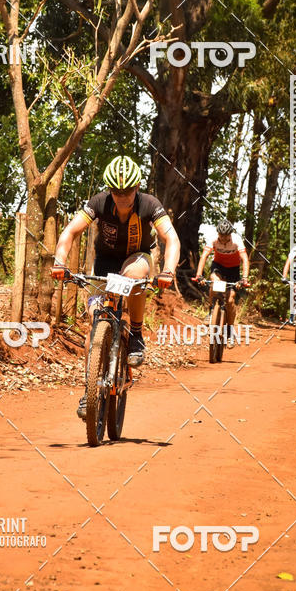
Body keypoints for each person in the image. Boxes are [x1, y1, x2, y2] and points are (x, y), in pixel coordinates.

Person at [50, 155, 180, 419]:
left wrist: (168, 271)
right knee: (95, 321)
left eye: (127, 191)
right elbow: (71, 231)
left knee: (134, 275)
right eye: (116, 192)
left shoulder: (149, 204)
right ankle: (90, 389)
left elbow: (171, 238)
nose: (122, 197)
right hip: (105, 263)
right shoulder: (99, 202)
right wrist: (59, 262)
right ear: (109, 190)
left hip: (136, 258)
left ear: (137, 187)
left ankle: (136, 334)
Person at [191, 219, 249, 330]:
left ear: (230, 234)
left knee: (230, 301)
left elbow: (245, 259)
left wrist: (244, 278)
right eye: (221, 235)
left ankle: (230, 328)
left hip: (233, 270)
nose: (224, 238)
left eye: (226, 235)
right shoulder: (213, 239)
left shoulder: (237, 240)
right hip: (218, 267)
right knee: (214, 282)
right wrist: (199, 275)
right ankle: (211, 311)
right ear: (218, 233)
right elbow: (204, 256)